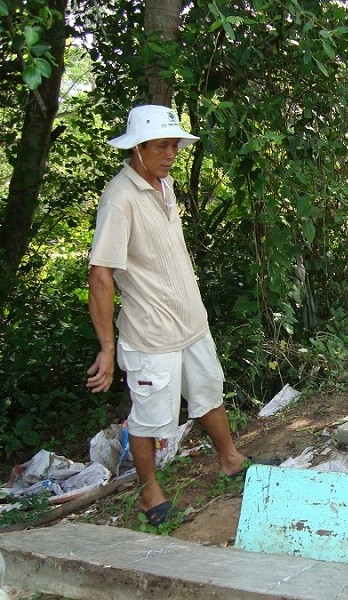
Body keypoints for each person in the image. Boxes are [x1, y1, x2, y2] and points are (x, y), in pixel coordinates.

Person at [86, 105, 249, 526]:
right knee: (151, 419)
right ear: (137, 148)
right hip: (151, 332)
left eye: (175, 145)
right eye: (161, 145)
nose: (171, 153)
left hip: (190, 322)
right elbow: (100, 275)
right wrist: (107, 346)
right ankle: (149, 494)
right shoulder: (120, 199)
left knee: (209, 391)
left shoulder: (164, 185)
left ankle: (231, 460)